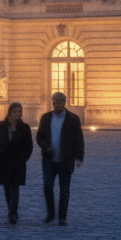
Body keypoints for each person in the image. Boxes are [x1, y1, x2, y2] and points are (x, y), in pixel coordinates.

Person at [35, 92, 84, 225]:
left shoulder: (73, 119)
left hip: (66, 160)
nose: (56, 105)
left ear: (64, 103)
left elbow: (79, 139)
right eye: (54, 102)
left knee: (65, 190)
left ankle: (62, 217)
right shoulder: (45, 117)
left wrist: (79, 157)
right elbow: (39, 136)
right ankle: (51, 214)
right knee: (47, 187)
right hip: (49, 159)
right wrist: (45, 147)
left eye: (59, 102)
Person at [0, 102, 33, 224]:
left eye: (20, 111)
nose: (18, 114)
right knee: (7, 188)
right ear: (10, 112)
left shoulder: (25, 127)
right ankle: (11, 209)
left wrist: (24, 158)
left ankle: (13, 212)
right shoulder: (1, 125)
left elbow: (29, 146)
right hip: (4, 162)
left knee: (15, 187)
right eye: (15, 111)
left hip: (18, 162)